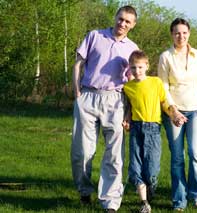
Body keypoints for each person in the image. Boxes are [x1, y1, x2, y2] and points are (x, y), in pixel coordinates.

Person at [70, 5, 138, 213]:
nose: (122, 23)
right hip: (88, 96)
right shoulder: (95, 36)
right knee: (82, 151)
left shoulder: (132, 48)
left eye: (127, 21)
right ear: (115, 17)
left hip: (115, 100)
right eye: (120, 19)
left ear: (133, 25)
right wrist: (77, 93)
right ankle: (84, 189)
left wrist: (128, 111)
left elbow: (133, 83)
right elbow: (77, 64)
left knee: (115, 154)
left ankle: (111, 201)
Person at [158, 18, 197, 211]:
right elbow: (163, 86)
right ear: (172, 34)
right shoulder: (165, 57)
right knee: (178, 157)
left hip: (196, 109)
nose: (181, 36)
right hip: (174, 112)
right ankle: (179, 199)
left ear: (189, 33)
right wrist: (173, 110)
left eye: (184, 32)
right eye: (177, 33)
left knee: (196, 153)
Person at [122, 50, 172, 213]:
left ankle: (151, 185)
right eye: (133, 68)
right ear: (129, 68)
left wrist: (174, 114)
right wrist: (127, 118)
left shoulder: (155, 82)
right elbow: (130, 105)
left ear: (147, 66)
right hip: (136, 128)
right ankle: (144, 203)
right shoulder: (128, 87)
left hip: (153, 128)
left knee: (151, 169)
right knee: (135, 166)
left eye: (140, 67)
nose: (137, 71)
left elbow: (164, 102)